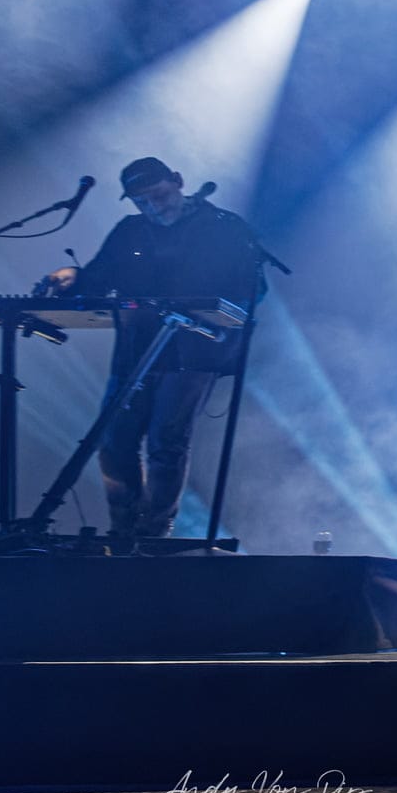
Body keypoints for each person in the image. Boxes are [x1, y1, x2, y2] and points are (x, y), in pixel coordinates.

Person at [43, 157, 264, 540]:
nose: (152, 207)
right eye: (141, 201)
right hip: (136, 350)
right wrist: (74, 278)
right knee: (114, 441)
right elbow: (98, 275)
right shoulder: (130, 231)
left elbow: (252, 289)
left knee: (166, 440)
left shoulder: (223, 228)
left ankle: (154, 532)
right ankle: (124, 530)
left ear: (177, 181)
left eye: (158, 196)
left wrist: (218, 312)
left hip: (194, 352)